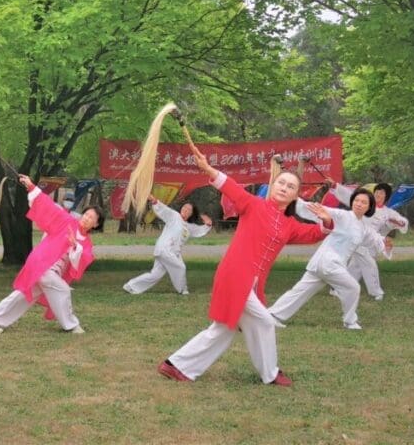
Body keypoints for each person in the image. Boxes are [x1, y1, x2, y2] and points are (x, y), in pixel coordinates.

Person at [158, 145, 332, 387]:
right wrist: (208, 168)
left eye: (291, 187)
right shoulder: (254, 204)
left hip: (253, 283)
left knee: (223, 330)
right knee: (264, 322)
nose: (284, 188)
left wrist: (326, 221)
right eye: (281, 183)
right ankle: (270, 374)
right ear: (273, 185)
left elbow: (313, 233)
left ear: (296, 196)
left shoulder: (288, 224)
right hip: (235, 275)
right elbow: (229, 186)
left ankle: (176, 365)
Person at [0, 174, 103, 335]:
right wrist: (30, 186)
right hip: (42, 264)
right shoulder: (67, 221)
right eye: (86, 214)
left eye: (91, 218)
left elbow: (82, 260)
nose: (86, 218)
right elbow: (48, 205)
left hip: (50, 272)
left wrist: (75, 246)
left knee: (23, 296)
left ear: (96, 224)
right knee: (62, 289)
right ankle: (71, 325)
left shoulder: (86, 243)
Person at [269, 188, 392, 330]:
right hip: (328, 263)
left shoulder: (364, 228)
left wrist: (385, 244)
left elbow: (375, 240)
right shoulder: (342, 215)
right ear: (352, 202)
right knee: (352, 287)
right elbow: (316, 209)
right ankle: (350, 321)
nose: (359, 204)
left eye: (364, 202)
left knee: (299, 291)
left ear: (369, 207)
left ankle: (271, 315)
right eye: (357, 200)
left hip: (326, 265)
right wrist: (293, 198)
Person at [123, 197, 212, 295]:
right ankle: (183, 289)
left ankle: (130, 286)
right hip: (165, 249)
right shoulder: (174, 216)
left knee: (155, 275)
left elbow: (199, 230)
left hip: (173, 253)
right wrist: (155, 201)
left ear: (191, 214)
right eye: (184, 207)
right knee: (181, 267)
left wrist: (208, 225)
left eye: (189, 209)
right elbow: (165, 210)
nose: (185, 209)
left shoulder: (188, 227)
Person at [345, 183, 407, 301]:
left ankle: (372, 291)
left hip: (373, 242)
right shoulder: (366, 205)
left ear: (386, 196)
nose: (378, 194)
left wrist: (399, 223)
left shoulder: (387, 212)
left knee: (363, 266)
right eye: (377, 191)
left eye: (382, 192)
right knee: (359, 266)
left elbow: (399, 222)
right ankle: (344, 289)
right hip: (359, 240)